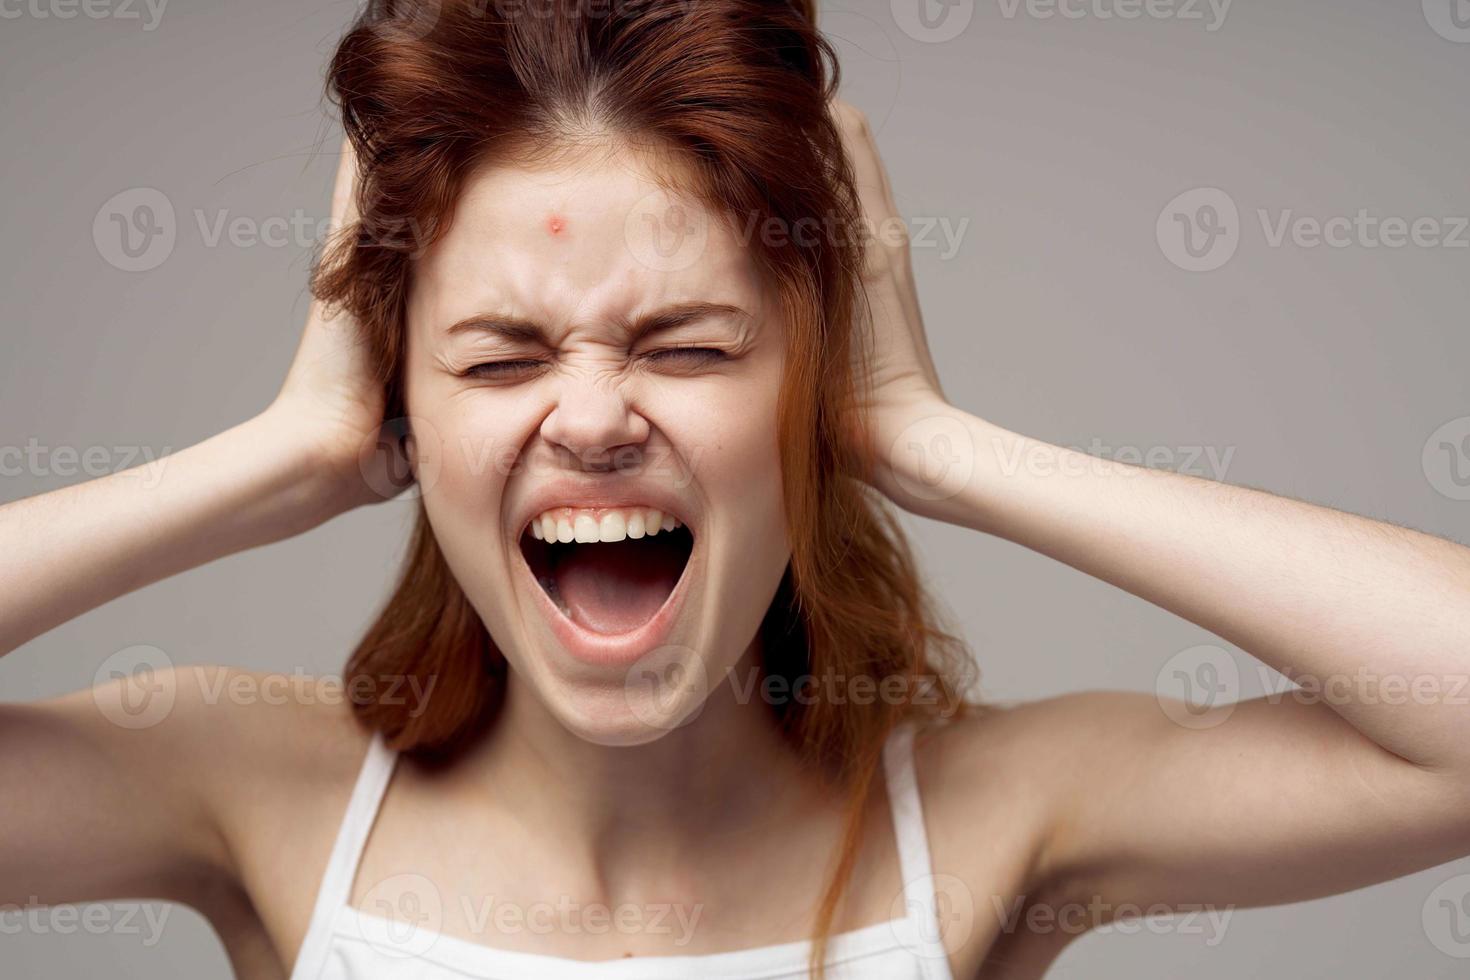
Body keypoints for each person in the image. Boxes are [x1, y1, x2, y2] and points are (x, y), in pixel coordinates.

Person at [4, 1, 1469, 978]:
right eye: (500, 358)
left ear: (807, 391)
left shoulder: (991, 813)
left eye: (690, 346)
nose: (590, 418)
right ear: (402, 407)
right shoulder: (242, 780)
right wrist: (280, 454)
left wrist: (919, 438)